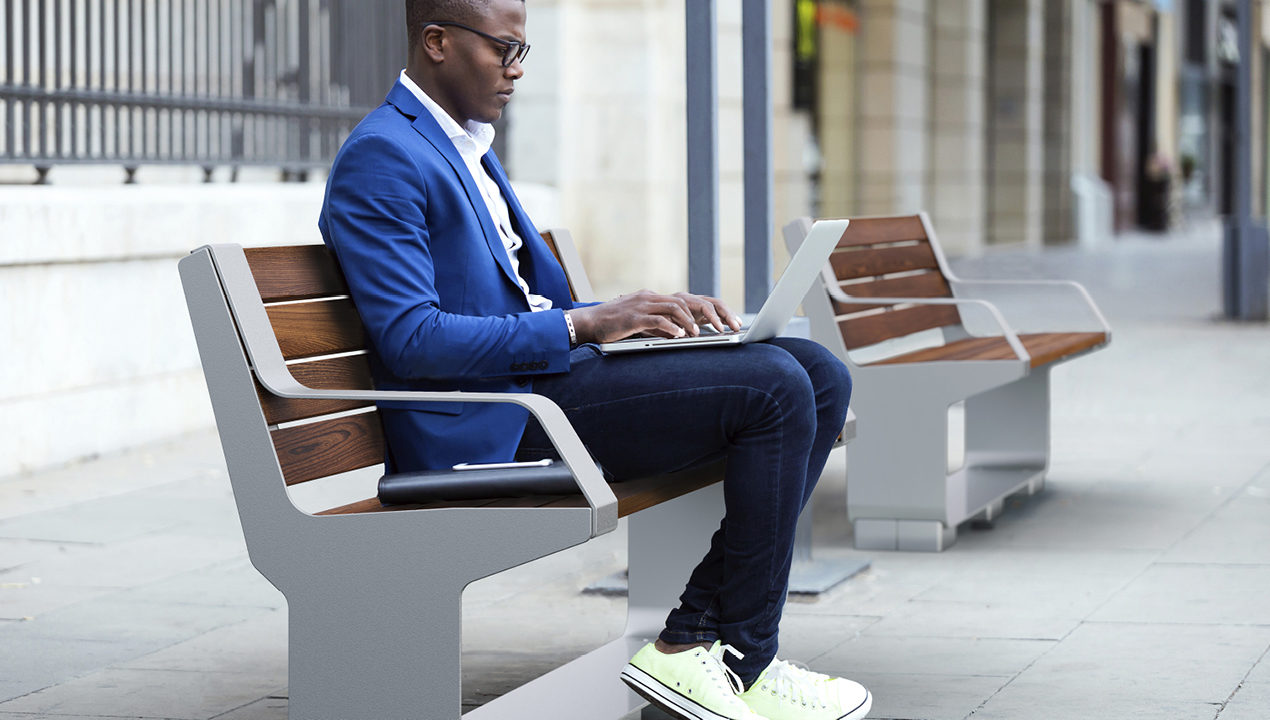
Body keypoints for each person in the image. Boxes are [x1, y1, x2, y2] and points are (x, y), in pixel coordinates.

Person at [318, 1, 871, 718]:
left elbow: (532, 303)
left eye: (524, 52)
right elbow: (413, 339)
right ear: (436, 43)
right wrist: (585, 325)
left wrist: (640, 323)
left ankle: (701, 648)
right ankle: (732, 658)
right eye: (503, 50)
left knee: (818, 372)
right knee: (773, 389)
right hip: (487, 423)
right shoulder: (384, 156)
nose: (517, 71)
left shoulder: (464, 144)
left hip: (538, 389)